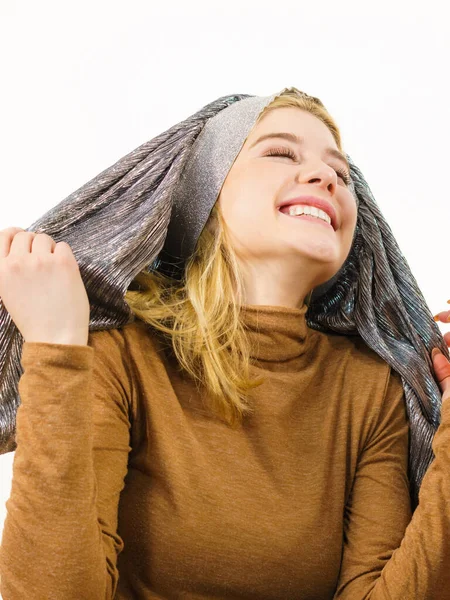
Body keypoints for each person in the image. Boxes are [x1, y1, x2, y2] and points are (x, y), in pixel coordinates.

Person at [0, 87, 449, 599]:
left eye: (342, 175)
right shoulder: (122, 360)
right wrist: (55, 348)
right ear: (205, 190)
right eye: (280, 153)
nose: (327, 177)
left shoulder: (371, 390)